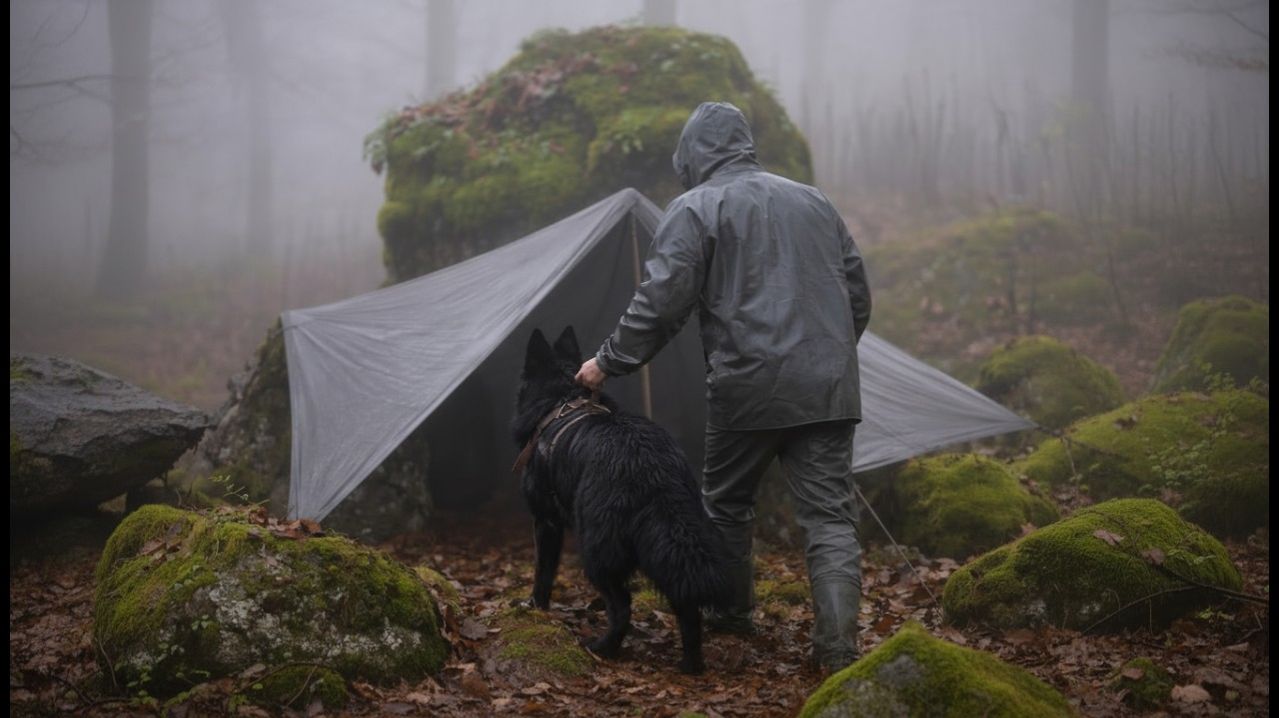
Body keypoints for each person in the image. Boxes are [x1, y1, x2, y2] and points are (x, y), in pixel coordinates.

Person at [574, 101, 871, 672]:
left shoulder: (695, 207)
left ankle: (732, 615)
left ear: (692, 155)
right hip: (829, 387)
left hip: (747, 388)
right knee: (830, 519)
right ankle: (839, 654)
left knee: (728, 505)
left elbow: (661, 303)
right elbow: (857, 295)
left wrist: (607, 362)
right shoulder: (814, 200)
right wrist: (826, 359)